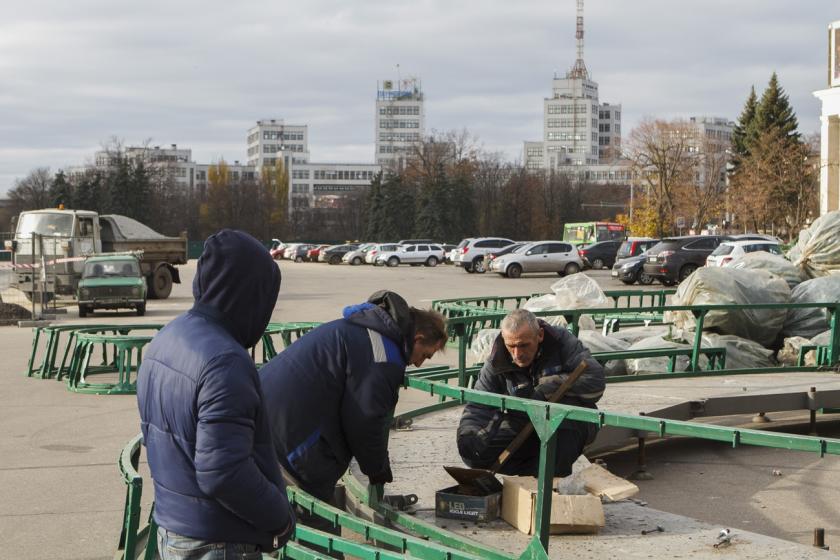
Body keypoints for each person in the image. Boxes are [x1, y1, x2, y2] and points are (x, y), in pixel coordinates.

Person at [136, 230, 295, 559]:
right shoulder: (226, 362)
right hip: (218, 540)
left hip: (174, 526)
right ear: (251, 295)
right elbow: (223, 472)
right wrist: (280, 518)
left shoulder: (167, 337)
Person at [259, 290, 447, 515]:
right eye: (425, 356)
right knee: (318, 524)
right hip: (289, 443)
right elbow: (366, 419)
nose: (418, 364)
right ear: (417, 339)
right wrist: (377, 470)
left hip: (262, 420)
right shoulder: (383, 356)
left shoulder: (364, 329)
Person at [457, 308, 605, 477]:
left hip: (565, 421)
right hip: (523, 420)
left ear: (540, 335)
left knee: (562, 433)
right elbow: (480, 403)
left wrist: (545, 388)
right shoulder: (497, 359)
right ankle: (532, 476)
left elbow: (595, 380)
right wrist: (469, 432)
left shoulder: (562, 342)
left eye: (523, 345)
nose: (517, 354)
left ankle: (548, 479)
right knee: (476, 453)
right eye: (511, 346)